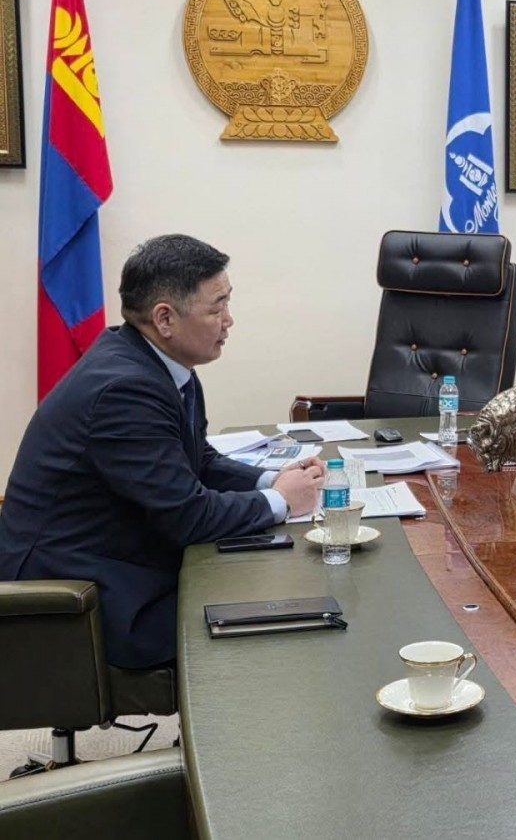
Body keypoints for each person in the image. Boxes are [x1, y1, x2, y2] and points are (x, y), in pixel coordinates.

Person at [0, 234, 325, 669]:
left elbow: (198, 461)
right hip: (79, 598)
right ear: (165, 318)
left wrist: (273, 479)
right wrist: (280, 500)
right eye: (217, 307)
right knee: (271, 621)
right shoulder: (124, 389)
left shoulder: (158, 364)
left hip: (121, 562)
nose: (229, 320)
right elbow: (188, 516)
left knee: (277, 589)